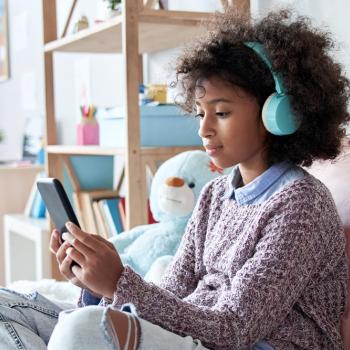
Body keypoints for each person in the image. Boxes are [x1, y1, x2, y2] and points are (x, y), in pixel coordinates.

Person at [1, 8, 349, 350]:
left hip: (245, 343)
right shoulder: (215, 194)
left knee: (82, 330)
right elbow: (171, 293)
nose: (204, 129)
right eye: (200, 113)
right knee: (6, 306)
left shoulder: (302, 205)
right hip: (192, 335)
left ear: (278, 114)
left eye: (222, 112)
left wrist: (119, 282)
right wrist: (95, 285)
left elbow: (234, 329)